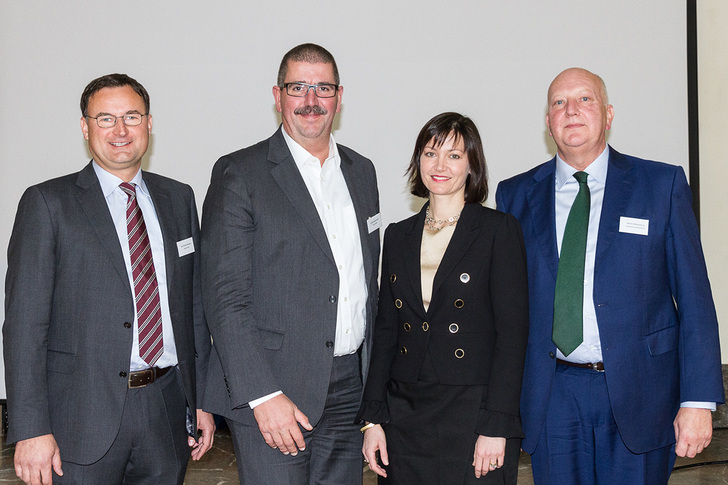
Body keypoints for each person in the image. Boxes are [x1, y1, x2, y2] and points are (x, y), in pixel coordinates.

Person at [495, 67, 725, 484]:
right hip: (553, 395)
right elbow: (506, 307)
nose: (572, 111)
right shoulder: (515, 195)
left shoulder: (660, 184)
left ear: (609, 113)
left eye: (585, 99)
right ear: (548, 121)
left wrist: (698, 400)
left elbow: (695, 298)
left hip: (643, 393)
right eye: (559, 103)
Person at [3, 73, 215, 485]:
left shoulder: (179, 198)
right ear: (85, 127)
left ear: (149, 124)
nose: (120, 130)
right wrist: (30, 428)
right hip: (78, 416)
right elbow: (24, 326)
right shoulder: (48, 203)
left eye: (132, 116)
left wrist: (202, 401)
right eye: (105, 118)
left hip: (166, 410)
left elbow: (194, 310)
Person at [200, 43, 381, 484]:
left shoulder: (362, 171)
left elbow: (365, 285)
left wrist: (374, 402)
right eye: (298, 87)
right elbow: (225, 300)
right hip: (274, 388)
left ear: (340, 97)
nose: (311, 100)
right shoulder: (240, 173)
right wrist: (263, 395)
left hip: (347, 387)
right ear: (278, 96)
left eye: (323, 88)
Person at [358, 112, 529, 484]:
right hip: (404, 414)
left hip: (473, 412)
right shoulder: (398, 235)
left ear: (472, 165)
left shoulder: (498, 231)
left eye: (454, 155)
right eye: (430, 153)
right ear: (418, 160)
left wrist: (496, 425)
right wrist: (373, 419)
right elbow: (386, 331)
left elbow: (512, 335)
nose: (440, 165)